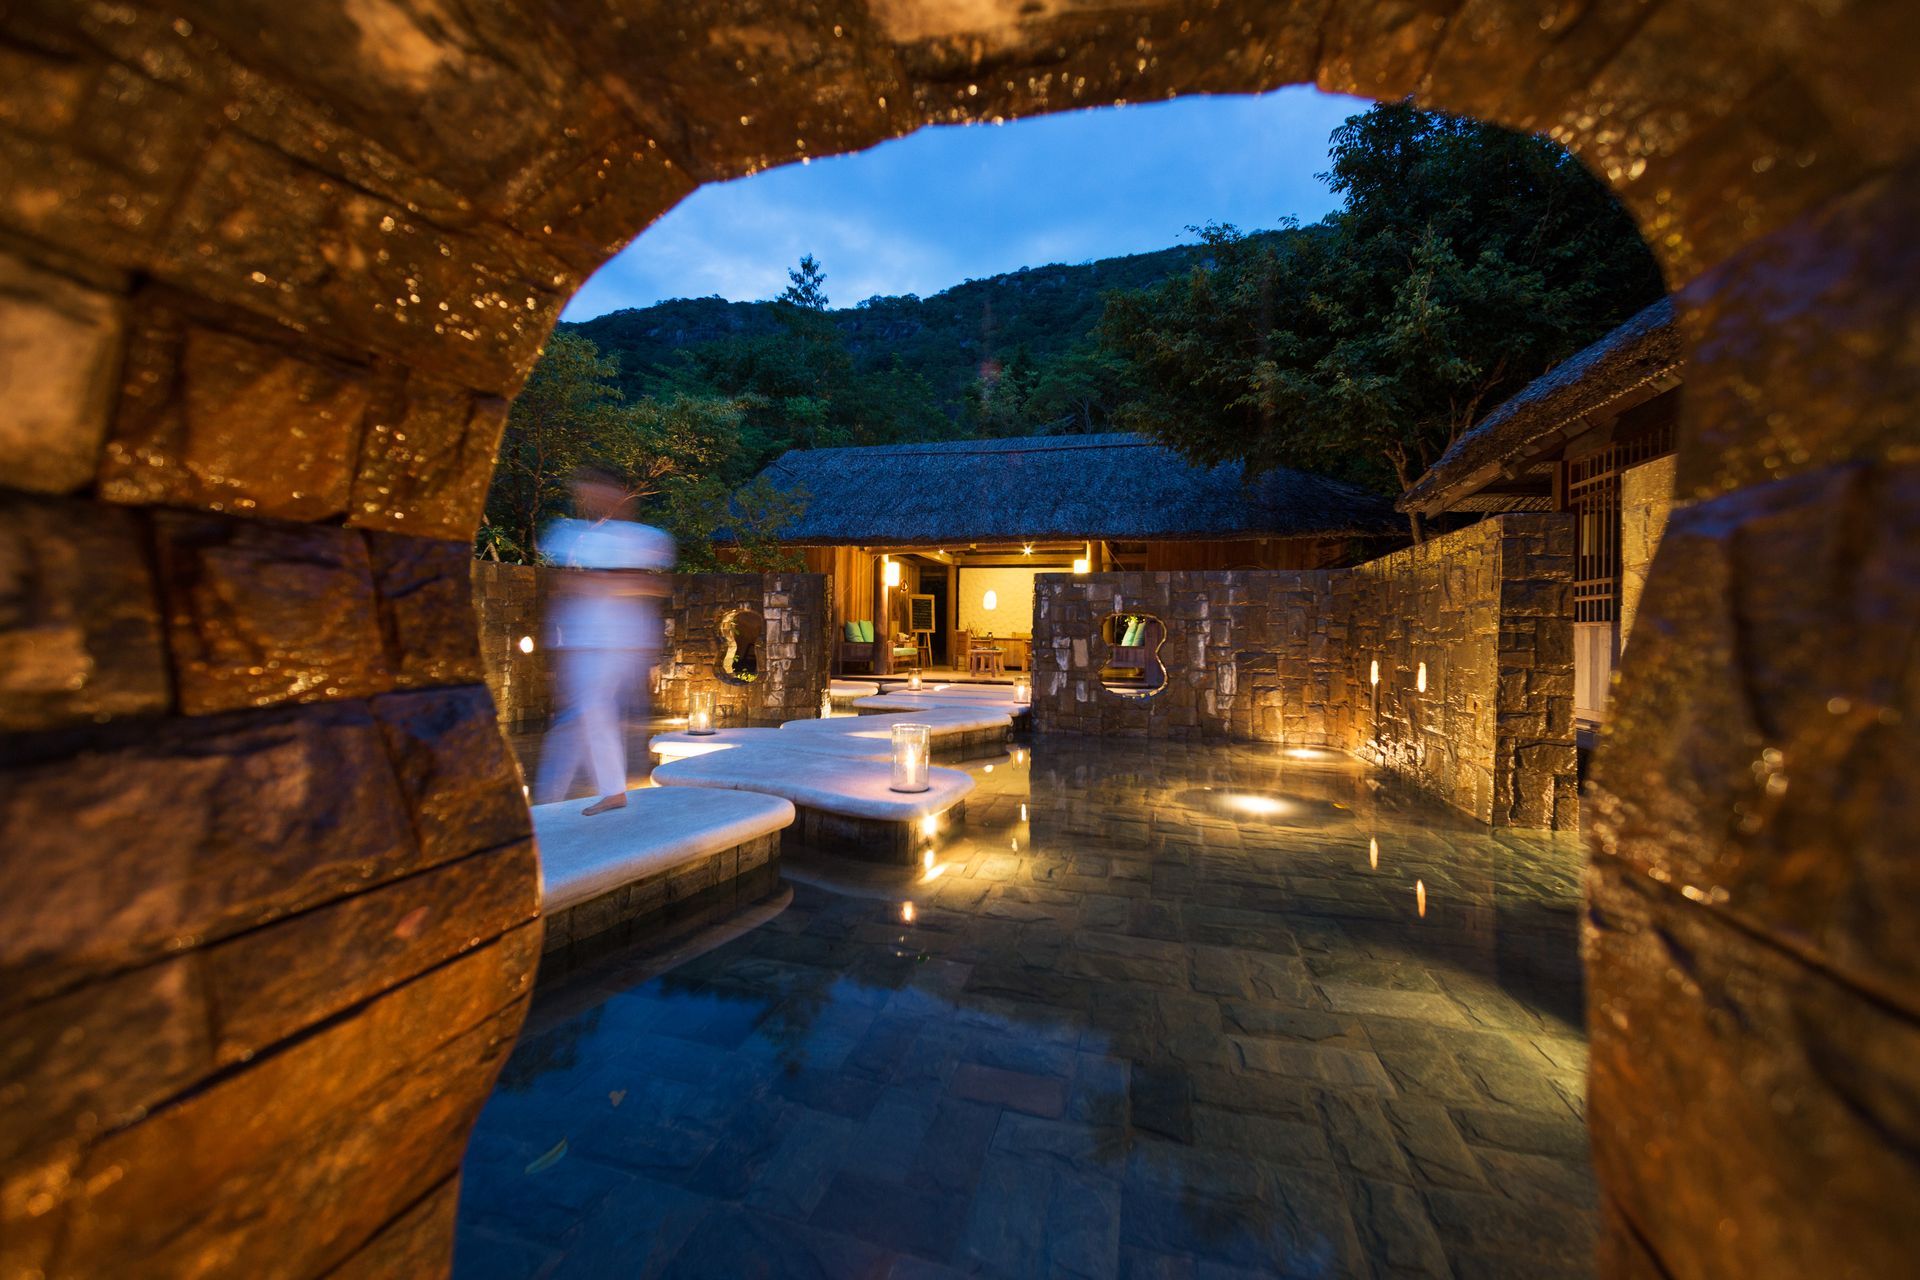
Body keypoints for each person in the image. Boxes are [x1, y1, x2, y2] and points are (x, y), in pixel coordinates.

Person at [533, 467, 675, 815]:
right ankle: (546, 800)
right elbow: (561, 588)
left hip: (619, 642)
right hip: (581, 639)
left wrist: (601, 584)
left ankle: (609, 791)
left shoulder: (642, 537)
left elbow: (654, 585)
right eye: (588, 492)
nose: (595, 498)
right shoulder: (571, 534)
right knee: (574, 719)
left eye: (601, 491)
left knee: (592, 710)